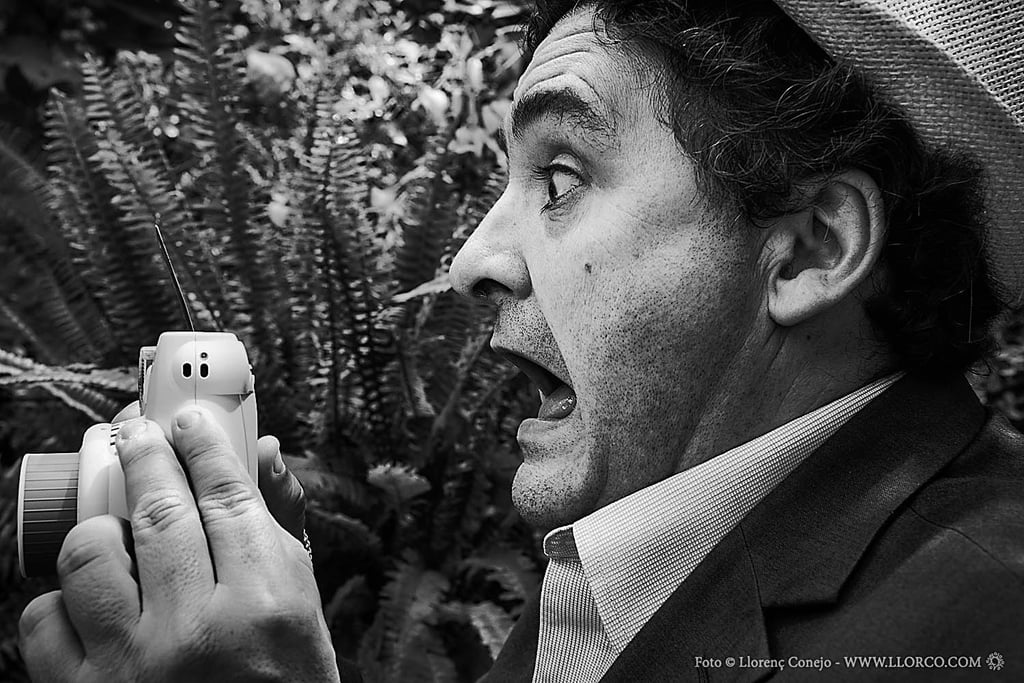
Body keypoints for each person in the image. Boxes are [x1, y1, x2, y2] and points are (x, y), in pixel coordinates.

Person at [18, 0, 1024, 681]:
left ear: (809, 248)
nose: (470, 261)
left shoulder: (988, 618)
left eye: (560, 177)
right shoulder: (623, 563)